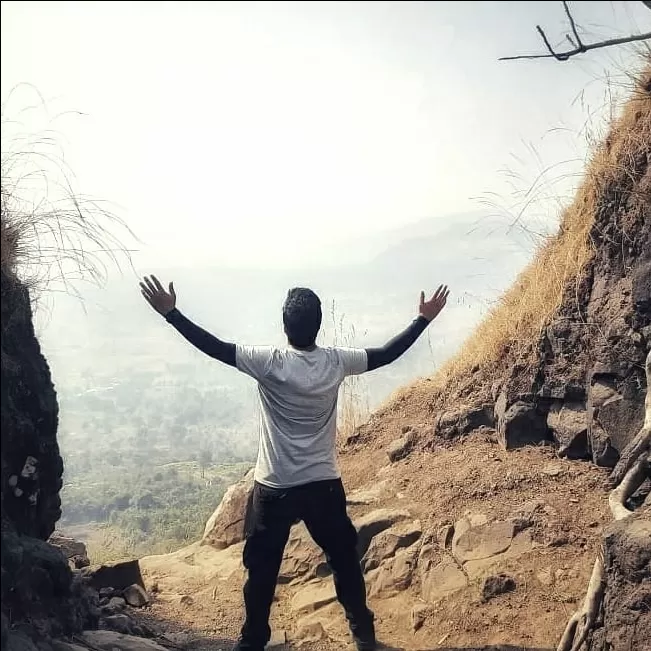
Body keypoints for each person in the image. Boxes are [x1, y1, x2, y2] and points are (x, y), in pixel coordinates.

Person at [140, 275, 449, 651]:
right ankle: (364, 637)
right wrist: (423, 319)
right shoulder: (336, 362)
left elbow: (215, 347)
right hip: (323, 484)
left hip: (275, 487)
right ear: (318, 326)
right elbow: (386, 353)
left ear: (284, 326)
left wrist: (171, 314)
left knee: (263, 569)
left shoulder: (268, 362)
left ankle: (252, 642)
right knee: (344, 561)